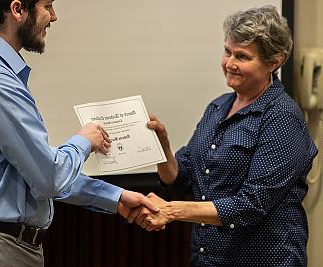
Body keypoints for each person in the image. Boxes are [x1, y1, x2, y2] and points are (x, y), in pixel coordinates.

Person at [0, 0, 158, 266]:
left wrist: (114, 197)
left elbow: (35, 174)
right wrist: (84, 141)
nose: (54, 16)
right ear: (17, 10)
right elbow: (49, 177)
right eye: (47, 5)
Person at [127, 5, 318, 267]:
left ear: (274, 62)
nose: (230, 63)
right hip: (208, 258)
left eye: (242, 56)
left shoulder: (282, 117)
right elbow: (182, 177)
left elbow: (251, 204)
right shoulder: (218, 107)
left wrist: (170, 211)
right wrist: (161, 148)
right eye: (227, 51)